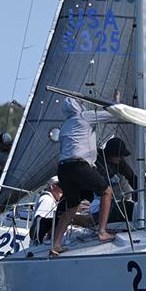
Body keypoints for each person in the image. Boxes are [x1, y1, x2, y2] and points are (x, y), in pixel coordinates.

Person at [51, 97, 116, 256]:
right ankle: (102, 232)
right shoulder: (85, 116)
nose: (83, 105)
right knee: (106, 192)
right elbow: (112, 114)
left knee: (72, 206)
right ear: (78, 107)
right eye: (81, 103)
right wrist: (115, 101)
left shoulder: (65, 125)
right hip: (78, 165)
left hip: (63, 168)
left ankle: (56, 245)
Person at [92, 137, 138, 223]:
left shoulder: (120, 162)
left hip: (107, 195)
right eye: (119, 156)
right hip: (93, 192)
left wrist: (142, 195)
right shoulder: (95, 159)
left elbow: (132, 178)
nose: (121, 158)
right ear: (112, 154)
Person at [30, 176, 63, 245]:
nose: (63, 189)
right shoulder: (47, 199)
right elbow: (38, 222)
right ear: (52, 186)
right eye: (61, 185)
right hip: (41, 245)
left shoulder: (51, 200)